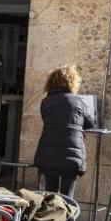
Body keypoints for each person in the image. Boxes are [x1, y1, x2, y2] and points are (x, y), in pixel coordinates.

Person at [34, 64, 94, 199]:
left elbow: (46, 119)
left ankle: (51, 213)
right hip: (71, 156)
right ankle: (67, 213)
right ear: (73, 82)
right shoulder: (79, 101)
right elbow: (90, 123)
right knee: (68, 197)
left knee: (50, 196)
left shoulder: (46, 102)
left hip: (48, 154)